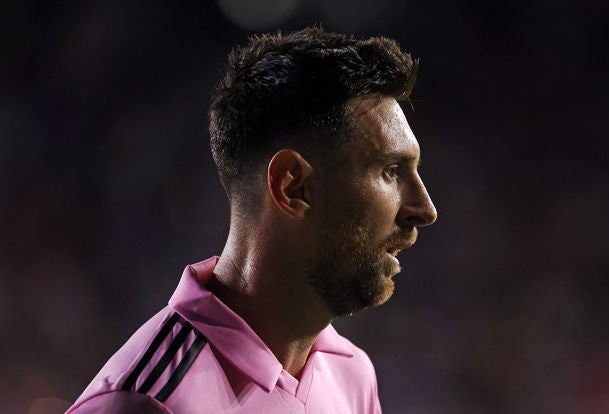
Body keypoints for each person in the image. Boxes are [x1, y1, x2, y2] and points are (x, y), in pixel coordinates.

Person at [67, 27, 437, 413]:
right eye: (391, 171)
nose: (425, 209)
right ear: (293, 187)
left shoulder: (352, 375)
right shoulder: (143, 402)